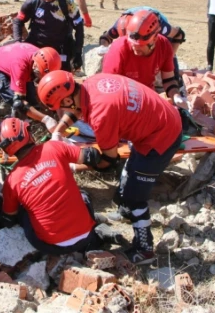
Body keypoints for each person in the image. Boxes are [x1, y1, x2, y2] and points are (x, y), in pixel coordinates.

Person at [37, 71, 184, 264]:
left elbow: (109, 161)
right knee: (129, 174)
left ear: (66, 102)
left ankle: (145, 249)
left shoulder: (101, 114)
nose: (61, 113)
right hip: (159, 119)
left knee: (134, 196)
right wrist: (58, 132)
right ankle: (125, 212)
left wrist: (76, 162)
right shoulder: (91, 83)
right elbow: (75, 110)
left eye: (60, 108)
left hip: (161, 136)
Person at [0, 118, 118, 254]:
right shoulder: (53, 147)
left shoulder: (11, 181)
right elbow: (92, 156)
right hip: (86, 234)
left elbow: (9, 218)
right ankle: (94, 235)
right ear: (28, 134)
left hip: (51, 247)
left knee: (23, 210)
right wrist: (67, 161)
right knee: (82, 195)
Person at [102, 9, 187, 107]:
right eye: (132, 43)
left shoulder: (164, 46)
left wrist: (176, 96)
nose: (135, 47)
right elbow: (108, 88)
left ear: (154, 39)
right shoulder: (119, 49)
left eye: (140, 45)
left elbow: (169, 80)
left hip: (147, 96)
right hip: (122, 100)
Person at [13, 0, 85, 72]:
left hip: (60, 50)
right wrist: (17, 43)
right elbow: (18, 21)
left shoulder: (67, 4)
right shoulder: (33, 2)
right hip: (37, 47)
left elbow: (79, 27)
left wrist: (78, 52)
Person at [0, 42, 62, 132]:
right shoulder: (20, 67)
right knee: (17, 103)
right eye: (41, 75)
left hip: (15, 62)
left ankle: (35, 122)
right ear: (35, 67)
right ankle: (12, 122)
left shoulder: (44, 57)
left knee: (33, 103)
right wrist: (47, 120)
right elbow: (20, 102)